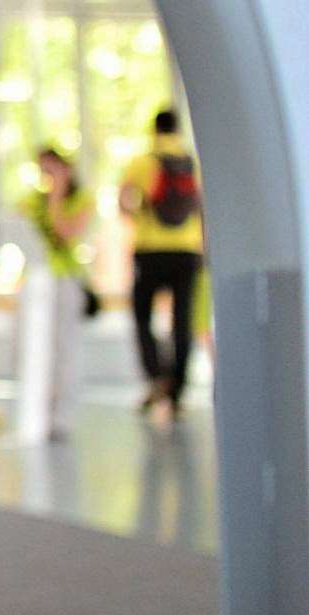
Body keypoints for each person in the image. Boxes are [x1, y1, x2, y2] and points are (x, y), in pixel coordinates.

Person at [121, 109, 204, 425]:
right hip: (187, 249)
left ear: (154, 129)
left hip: (150, 250)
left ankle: (156, 377)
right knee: (182, 320)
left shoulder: (142, 162)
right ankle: (177, 390)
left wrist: (140, 216)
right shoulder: (192, 161)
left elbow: (124, 202)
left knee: (143, 316)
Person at [20, 147, 93, 440]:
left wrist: (57, 197)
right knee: (38, 349)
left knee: (64, 348)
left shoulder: (81, 199)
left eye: (52, 169)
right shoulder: (31, 200)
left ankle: (61, 415)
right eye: (43, 170)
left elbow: (66, 233)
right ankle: (39, 412)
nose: (47, 175)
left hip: (65, 279)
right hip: (37, 280)